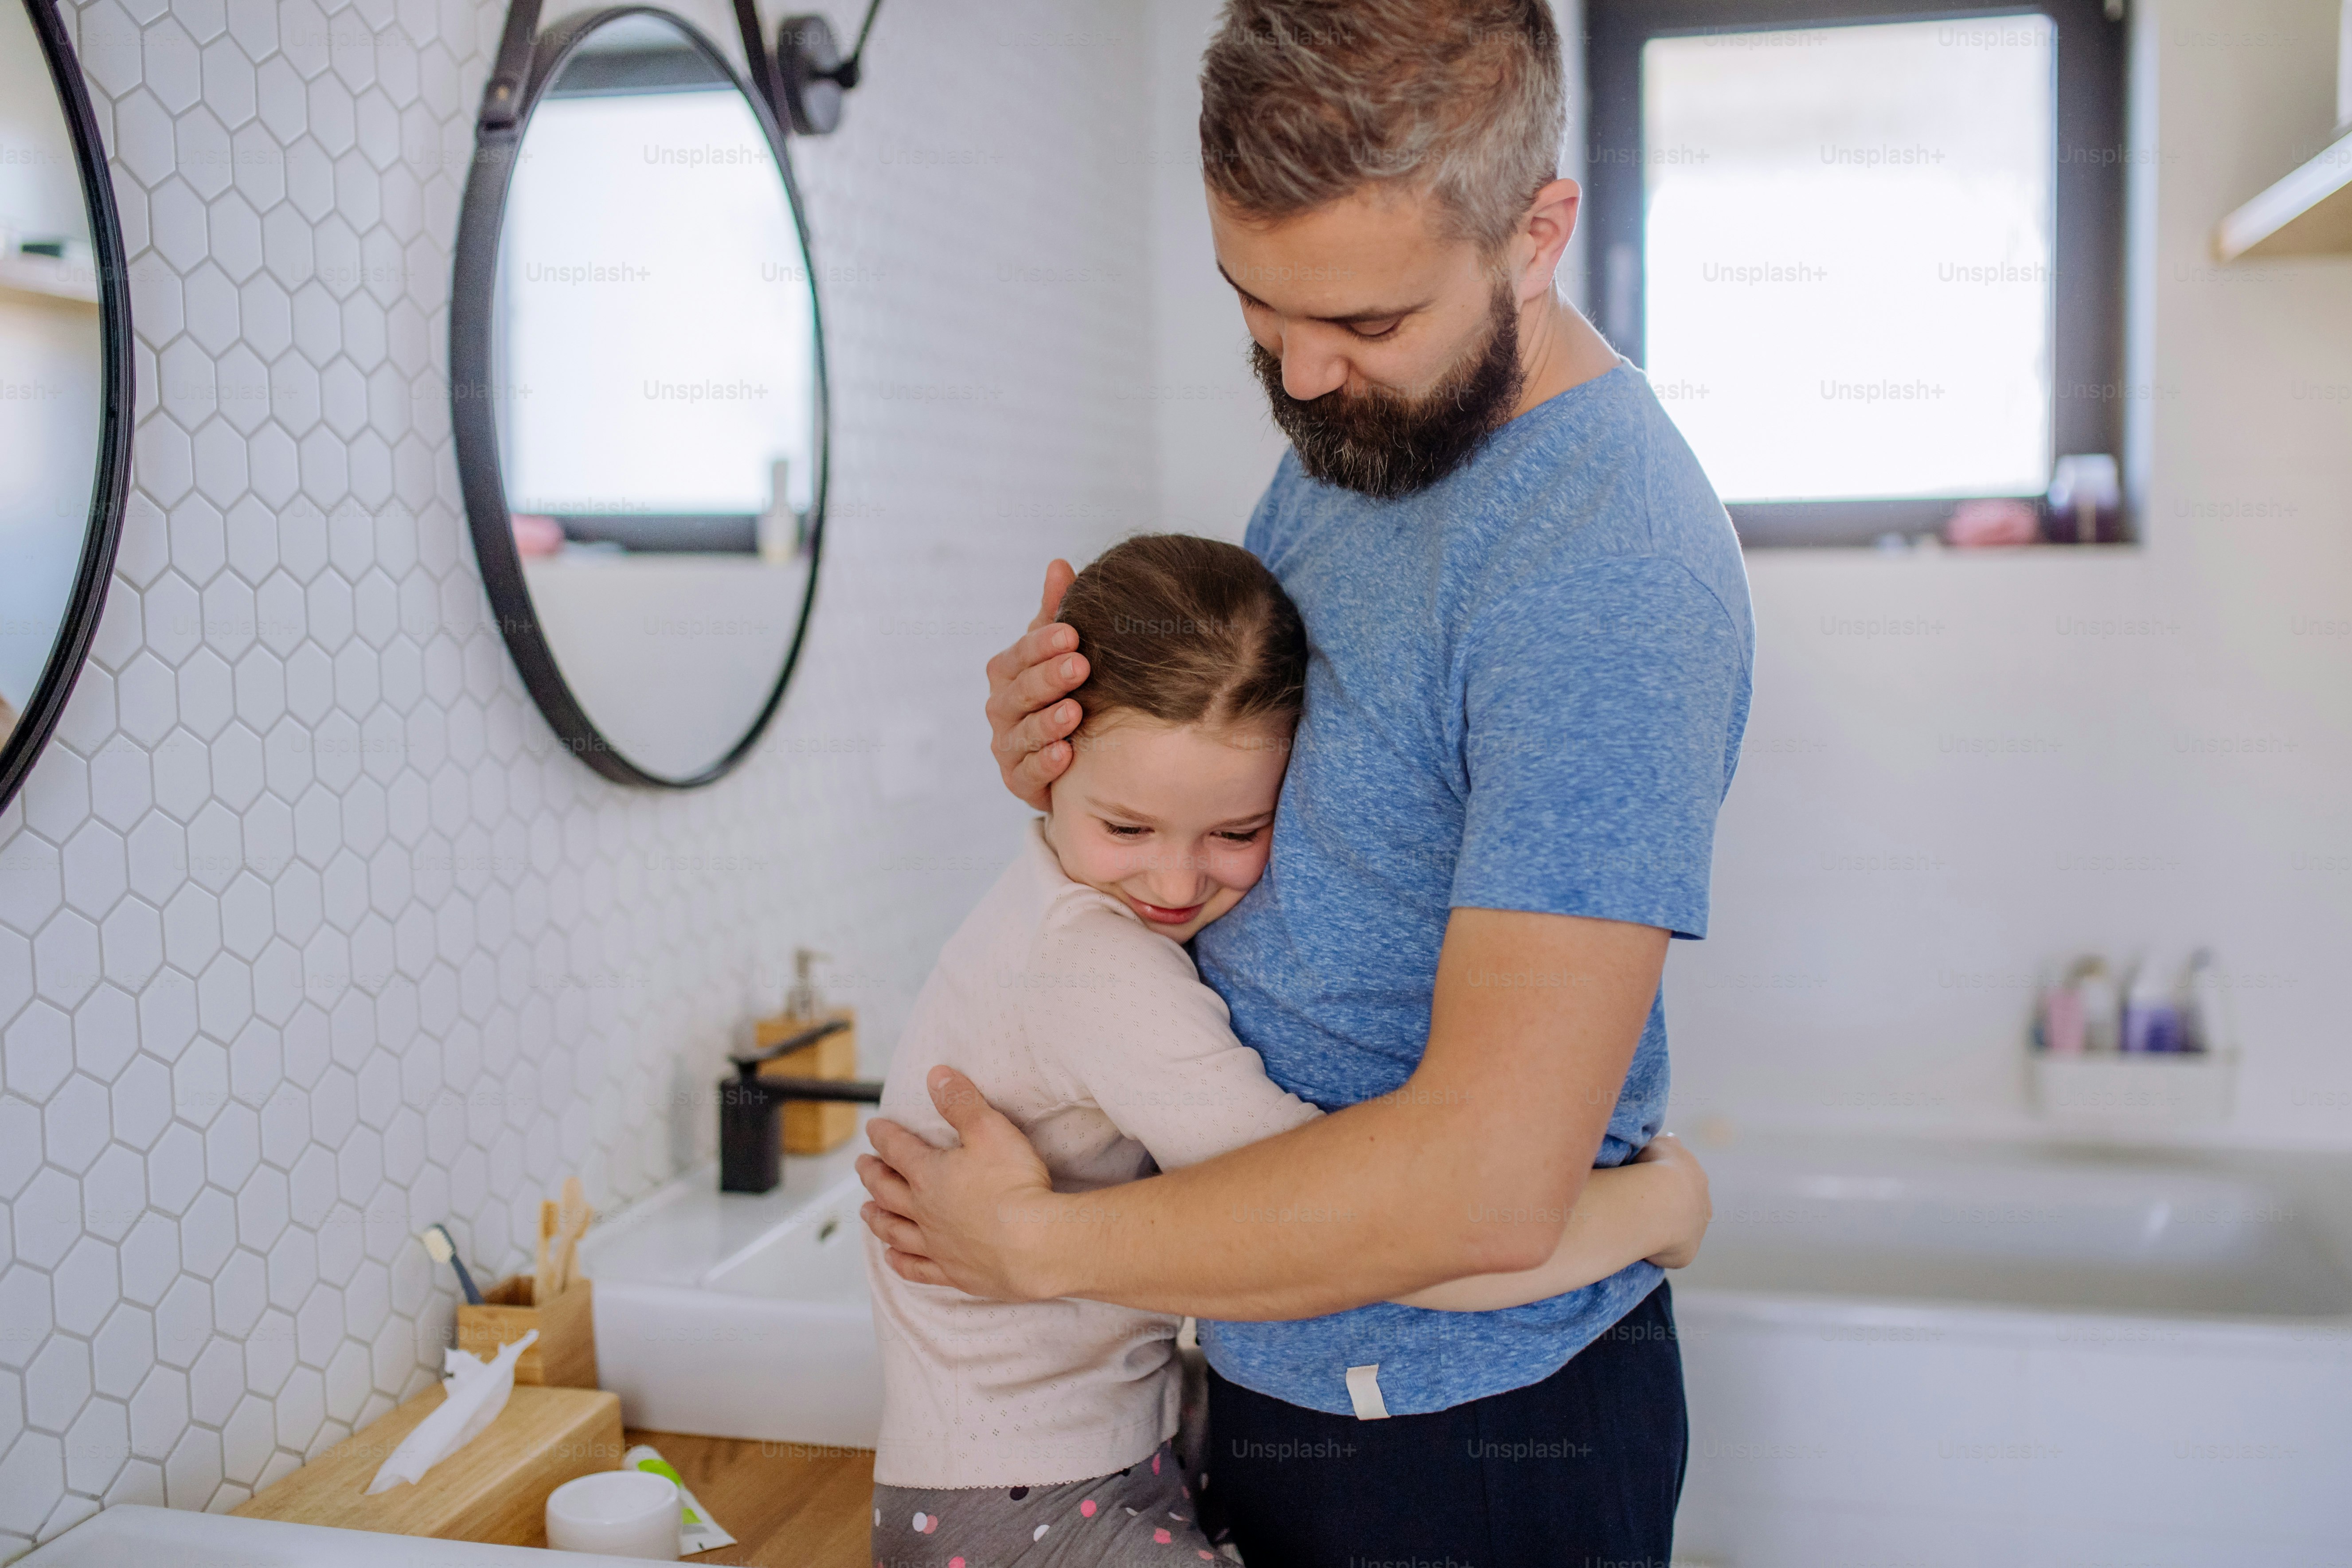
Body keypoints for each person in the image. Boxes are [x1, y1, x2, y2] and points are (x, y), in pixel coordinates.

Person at [859, 3, 1755, 1561]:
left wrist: (1043, 1244)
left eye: (1363, 322)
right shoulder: (1367, 429)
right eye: (1253, 305)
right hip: (1274, 1362)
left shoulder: (1603, 571)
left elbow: (1482, 1188)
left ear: (1534, 233)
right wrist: (1078, 764)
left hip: (1466, 1424)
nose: (1300, 369)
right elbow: (1307, 796)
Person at [863, 534, 1712, 1565]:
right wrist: (1659, 1207)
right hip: (1019, 1495)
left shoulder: (1050, 903)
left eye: (1235, 830)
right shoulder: (1099, 977)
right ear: (1045, 762)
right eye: (1127, 827)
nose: (1175, 881)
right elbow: (1366, 1233)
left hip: (1059, 1463)